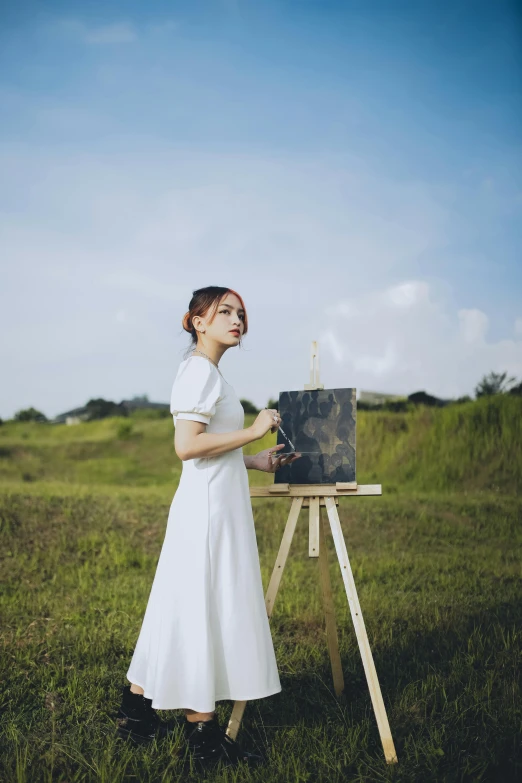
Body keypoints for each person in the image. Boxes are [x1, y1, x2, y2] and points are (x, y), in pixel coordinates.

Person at [115, 286, 301, 769]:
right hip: (207, 514)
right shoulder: (199, 370)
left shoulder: (208, 372)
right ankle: (203, 736)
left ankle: (136, 711)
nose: (237, 319)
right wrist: (254, 430)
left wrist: (257, 459)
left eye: (241, 314)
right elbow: (187, 446)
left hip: (212, 503)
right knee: (203, 607)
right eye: (225, 312)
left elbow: (213, 449)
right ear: (198, 320)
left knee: (180, 605)